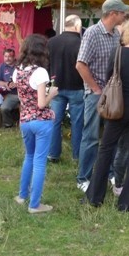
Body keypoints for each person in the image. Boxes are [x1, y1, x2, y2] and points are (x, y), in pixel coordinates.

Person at [85, 16, 129, 212]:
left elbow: (109, 78)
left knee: (106, 148)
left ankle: (94, 196)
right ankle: (128, 202)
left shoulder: (117, 52)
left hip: (119, 106)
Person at [75, 0, 129, 192]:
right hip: (96, 95)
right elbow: (80, 64)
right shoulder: (92, 33)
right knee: (90, 136)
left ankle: (110, 173)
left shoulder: (116, 34)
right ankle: (83, 177)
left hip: (112, 94)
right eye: (123, 12)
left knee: (111, 136)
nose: (125, 15)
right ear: (113, 13)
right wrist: (96, 89)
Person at [13, 34, 58, 214]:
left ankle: (22, 196)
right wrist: (52, 93)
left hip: (25, 119)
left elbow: (21, 98)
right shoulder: (40, 72)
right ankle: (35, 204)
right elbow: (41, 103)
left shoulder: (18, 71)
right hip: (41, 121)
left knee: (29, 157)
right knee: (39, 162)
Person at [47, 15, 84, 162]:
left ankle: (53, 154)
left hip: (56, 87)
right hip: (77, 87)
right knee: (77, 123)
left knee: (55, 122)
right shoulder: (81, 43)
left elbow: (46, 65)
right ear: (77, 26)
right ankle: (77, 156)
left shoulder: (51, 42)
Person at [0, 48, 20, 128]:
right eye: (5, 56)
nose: (7, 58)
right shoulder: (2, 66)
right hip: (11, 94)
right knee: (4, 108)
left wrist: (17, 84)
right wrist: (6, 84)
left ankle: (25, 123)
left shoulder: (20, 65)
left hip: (22, 92)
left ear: (14, 57)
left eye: (10, 56)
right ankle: (8, 124)